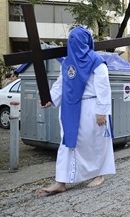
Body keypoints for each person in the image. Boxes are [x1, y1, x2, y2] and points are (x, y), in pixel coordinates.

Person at [37, 26, 115, 195]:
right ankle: (61, 181)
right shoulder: (68, 62)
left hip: (92, 108)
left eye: (76, 39)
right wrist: (48, 99)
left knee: (94, 142)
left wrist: (102, 111)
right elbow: (60, 85)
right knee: (67, 144)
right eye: (70, 39)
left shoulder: (96, 61)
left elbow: (104, 88)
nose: (73, 43)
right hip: (71, 110)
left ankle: (99, 174)